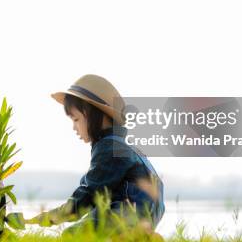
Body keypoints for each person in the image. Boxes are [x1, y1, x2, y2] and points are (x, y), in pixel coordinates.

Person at [27, 74, 165, 234]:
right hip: (145, 216)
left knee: (71, 235)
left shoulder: (108, 148)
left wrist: (45, 218)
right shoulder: (123, 146)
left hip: (127, 214)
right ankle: (138, 237)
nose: (74, 127)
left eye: (76, 119)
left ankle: (138, 237)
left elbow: (87, 196)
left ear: (92, 115)